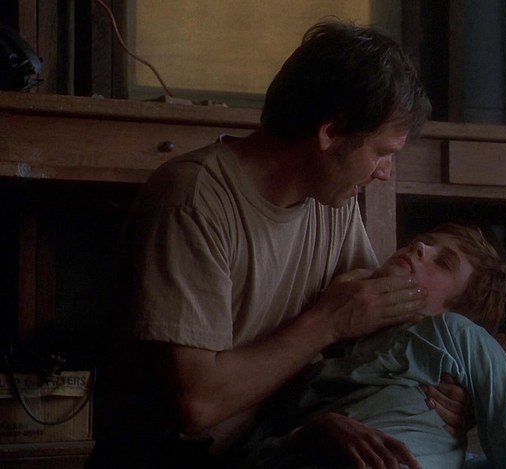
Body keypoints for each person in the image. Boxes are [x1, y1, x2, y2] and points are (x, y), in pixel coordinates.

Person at [87, 20, 472, 469]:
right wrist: (327, 322)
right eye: (381, 153)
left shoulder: (333, 200)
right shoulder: (192, 202)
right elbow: (198, 405)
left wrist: (458, 388)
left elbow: (381, 327)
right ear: (331, 132)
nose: (385, 172)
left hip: (271, 444)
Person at [237, 223, 506, 468]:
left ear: (455, 310)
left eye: (443, 262)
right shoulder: (323, 355)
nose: (420, 248)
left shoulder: (455, 334)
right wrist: (308, 433)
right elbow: (253, 452)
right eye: (421, 242)